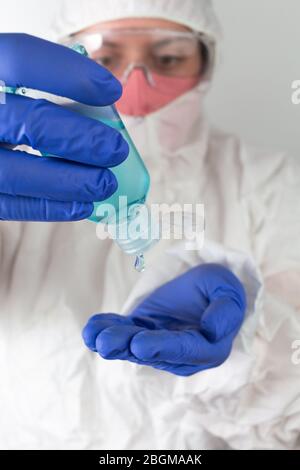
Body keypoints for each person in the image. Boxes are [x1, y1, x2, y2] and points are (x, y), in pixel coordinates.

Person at [0, 0, 299, 450]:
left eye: (169, 58)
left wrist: (248, 338)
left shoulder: (272, 181)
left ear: (205, 65)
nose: (135, 85)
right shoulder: (18, 185)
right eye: (103, 58)